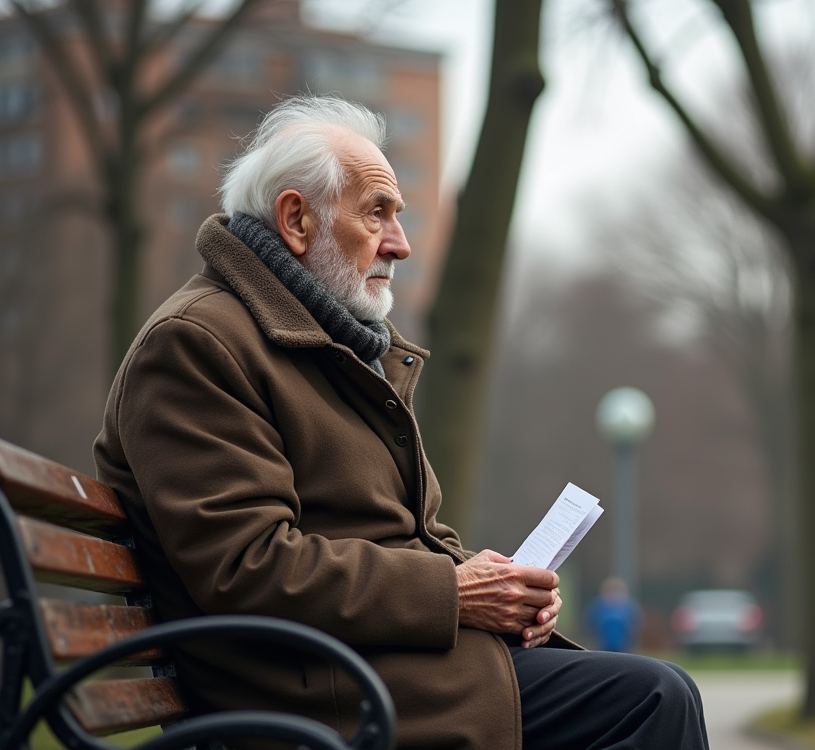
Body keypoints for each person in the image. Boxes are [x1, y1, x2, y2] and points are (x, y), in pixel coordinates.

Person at [94, 96, 708, 750]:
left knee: (654, 689)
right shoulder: (200, 344)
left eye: (399, 215)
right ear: (297, 219)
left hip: (378, 669)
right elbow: (249, 566)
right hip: (314, 696)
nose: (401, 244)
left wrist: (503, 590)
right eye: (377, 213)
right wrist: (456, 592)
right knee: (652, 699)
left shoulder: (333, 347)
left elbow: (416, 535)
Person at [586, 577, 642, 653]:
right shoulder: (597, 606)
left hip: (624, 646)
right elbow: (590, 623)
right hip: (601, 646)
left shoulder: (629, 607)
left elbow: (636, 624)